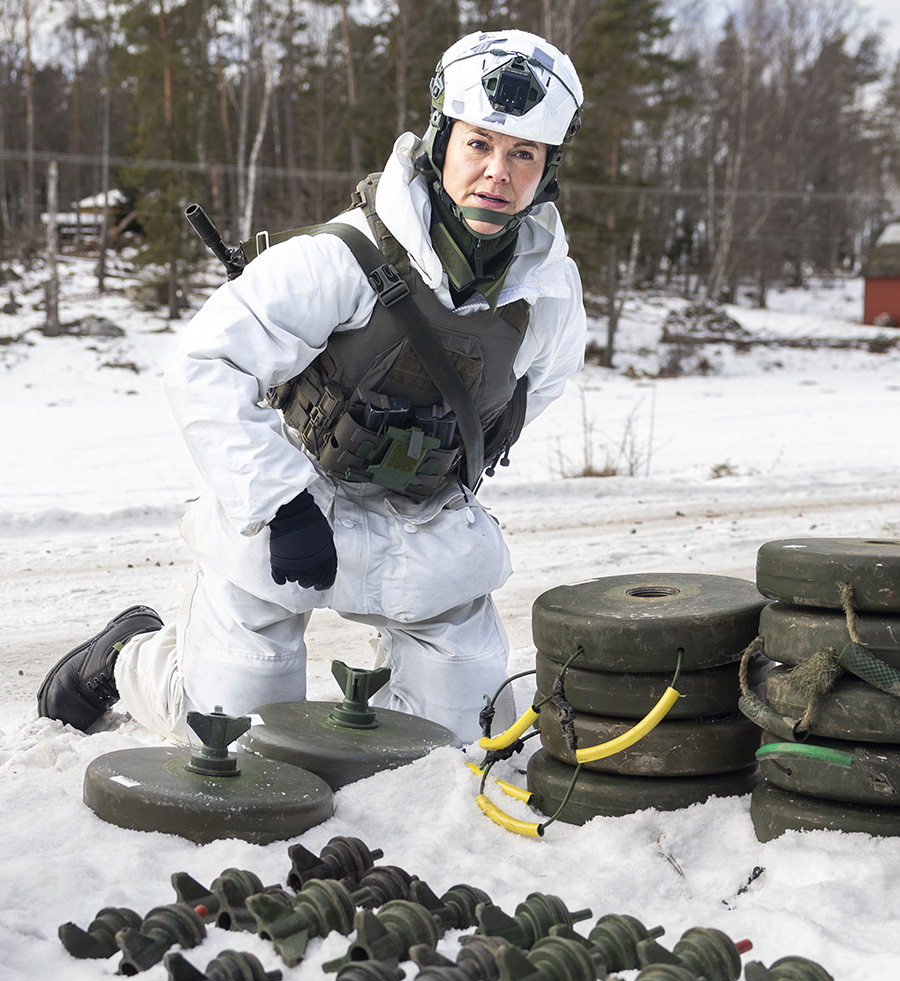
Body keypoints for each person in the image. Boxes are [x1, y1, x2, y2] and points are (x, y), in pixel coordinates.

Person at [38, 28, 586, 745]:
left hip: (421, 516)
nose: (497, 173)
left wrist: (441, 466)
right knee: (234, 736)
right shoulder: (346, 255)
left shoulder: (546, 289)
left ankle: (403, 679)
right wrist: (281, 501)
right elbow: (204, 363)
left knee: (457, 745)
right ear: (440, 140)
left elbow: (531, 393)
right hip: (294, 498)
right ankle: (135, 656)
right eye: (478, 144)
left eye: (523, 154)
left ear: (546, 171)